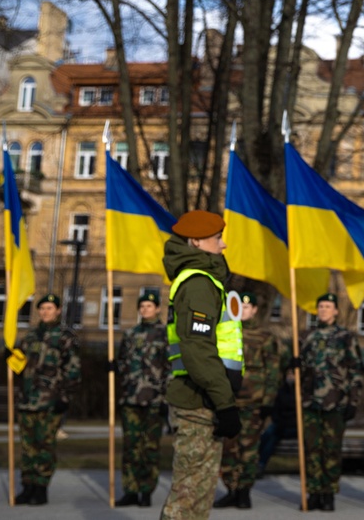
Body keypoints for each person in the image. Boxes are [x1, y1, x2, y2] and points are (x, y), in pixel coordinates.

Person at [160, 210, 244, 520]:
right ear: (196, 242)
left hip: (204, 399)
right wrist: (225, 403)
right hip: (199, 401)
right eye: (217, 238)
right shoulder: (198, 283)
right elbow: (198, 350)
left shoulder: (205, 279)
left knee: (198, 498)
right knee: (187, 499)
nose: (223, 245)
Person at [12, 292, 81, 506]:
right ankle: (28, 486)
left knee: (45, 445)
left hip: (50, 400)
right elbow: (21, 367)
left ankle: (41, 488)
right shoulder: (30, 336)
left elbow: (73, 369)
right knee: (28, 446)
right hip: (27, 400)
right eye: (42, 308)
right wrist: (11, 358)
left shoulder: (65, 337)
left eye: (50, 308)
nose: (45, 312)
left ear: (58, 311)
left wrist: (65, 397)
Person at [214, 292, 280, 509]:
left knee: (249, 448)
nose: (243, 310)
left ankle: (244, 491)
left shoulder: (264, 337)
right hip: (228, 400)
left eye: (247, 307)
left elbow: (273, 371)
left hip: (253, 401)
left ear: (254, 311)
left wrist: (268, 401)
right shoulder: (225, 333)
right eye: (239, 306)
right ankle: (231, 489)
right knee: (228, 448)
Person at [300, 292, 363, 511]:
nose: (324, 310)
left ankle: (329, 493)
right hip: (310, 403)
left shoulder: (346, 337)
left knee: (332, 450)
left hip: (336, 402)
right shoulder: (308, 337)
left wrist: (353, 401)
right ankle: (313, 491)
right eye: (321, 306)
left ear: (336, 310)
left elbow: (355, 370)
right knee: (312, 449)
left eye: (328, 306)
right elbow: (300, 372)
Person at [115, 289, 169, 507]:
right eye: (142, 306)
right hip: (131, 399)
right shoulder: (130, 335)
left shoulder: (166, 334)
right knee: (130, 447)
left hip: (154, 400)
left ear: (157, 308)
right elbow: (122, 363)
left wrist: (166, 399)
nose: (145, 309)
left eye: (149, 306)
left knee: (150, 447)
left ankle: (146, 490)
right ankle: (130, 489)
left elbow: (171, 368)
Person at [257, 370, 299, 478]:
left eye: (292, 374)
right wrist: (279, 421)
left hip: (295, 427)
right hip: (281, 424)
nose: (290, 377)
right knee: (268, 435)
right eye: (288, 374)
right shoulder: (281, 391)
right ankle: (259, 463)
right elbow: (276, 411)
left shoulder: (300, 391)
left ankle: (260, 463)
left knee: (273, 434)